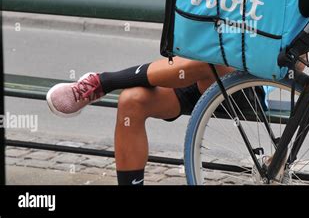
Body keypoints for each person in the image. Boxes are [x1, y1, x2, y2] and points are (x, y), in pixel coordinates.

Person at [46, 57, 234, 185]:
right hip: (196, 78)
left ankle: (104, 82)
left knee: (210, 61)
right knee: (132, 101)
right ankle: (100, 84)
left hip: (248, 84)